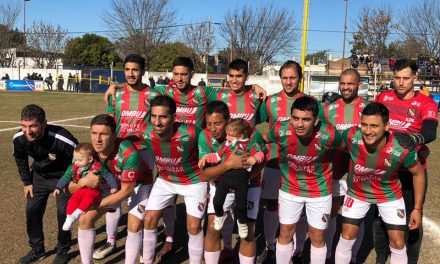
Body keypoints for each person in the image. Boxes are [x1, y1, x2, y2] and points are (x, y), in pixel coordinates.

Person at [334, 102, 425, 264]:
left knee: (397, 242)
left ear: (387, 126)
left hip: (389, 195)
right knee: (347, 236)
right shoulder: (351, 136)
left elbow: (418, 173)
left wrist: (417, 208)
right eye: (364, 125)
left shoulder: (401, 148)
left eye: (374, 126)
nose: (368, 131)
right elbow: (332, 142)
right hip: (357, 194)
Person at [374, 58, 438, 263]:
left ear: (415, 78)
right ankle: (381, 257)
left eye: (405, 78)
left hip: (412, 171)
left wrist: (414, 139)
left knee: (412, 220)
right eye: (397, 78)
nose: (400, 83)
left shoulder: (426, 103)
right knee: (380, 220)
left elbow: (430, 131)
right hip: (386, 169)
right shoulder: (383, 97)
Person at [265, 96, 342, 264]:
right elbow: (262, 138)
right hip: (289, 189)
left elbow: (346, 147)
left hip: (319, 192)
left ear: (316, 121)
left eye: (306, 119)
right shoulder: (280, 130)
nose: (299, 124)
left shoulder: (329, 133)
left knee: (317, 236)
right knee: (285, 232)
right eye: (296, 118)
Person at [95, 54, 155, 263]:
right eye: (127, 70)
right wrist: (115, 86)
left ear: (143, 71)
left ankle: (140, 242)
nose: (130, 74)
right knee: (114, 194)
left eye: (135, 70)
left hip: (144, 152)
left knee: (139, 199)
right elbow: (110, 122)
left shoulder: (154, 93)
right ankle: (111, 241)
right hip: (118, 151)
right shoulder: (116, 94)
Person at [257, 60, 311, 263]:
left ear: (300, 79)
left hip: (301, 164)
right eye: (285, 78)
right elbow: (259, 124)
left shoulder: (309, 101)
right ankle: (270, 246)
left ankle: (297, 250)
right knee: (271, 205)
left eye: (292, 78)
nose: (288, 82)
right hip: (274, 161)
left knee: (302, 209)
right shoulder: (270, 101)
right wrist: (264, 139)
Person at [73, 114, 146, 264]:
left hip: (138, 184)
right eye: (94, 133)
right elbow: (69, 186)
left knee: (134, 223)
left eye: (103, 134)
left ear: (114, 135)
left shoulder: (128, 152)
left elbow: (126, 191)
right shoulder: (86, 153)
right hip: (111, 186)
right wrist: (83, 182)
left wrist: (95, 205)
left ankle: (143, 248)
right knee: (85, 218)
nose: (97, 139)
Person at [141, 95, 206, 264]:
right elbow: (131, 140)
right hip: (165, 180)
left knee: (193, 227)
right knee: (148, 219)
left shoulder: (191, 132)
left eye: (163, 117)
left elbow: (211, 147)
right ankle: (148, 260)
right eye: (153, 116)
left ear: (174, 117)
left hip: (193, 181)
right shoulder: (145, 131)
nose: (157, 122)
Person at [200, 101, 267, 264]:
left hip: (249, 185)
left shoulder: (251, 134)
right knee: (212, 228)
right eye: (209, 124)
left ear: (228, 120)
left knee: (248, 232)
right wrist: (228, 165)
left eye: (218, 123)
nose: (213, 128)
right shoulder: (205, 136)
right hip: (220, 185)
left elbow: (262, 159)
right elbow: (205, 175)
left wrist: (243, 179)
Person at [13, 104, 78, 264]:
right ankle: (37, 250)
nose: (28, 131)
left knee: (64, 213)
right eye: (24, 126)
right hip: (39, 177)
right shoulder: (19, 138)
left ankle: (63, 249)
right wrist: (27, 182)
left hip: (63, 178)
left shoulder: (62, 138)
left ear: (44, 123)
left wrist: (72, 181)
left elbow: (79, 159)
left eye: (33, 126)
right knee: (32, 210)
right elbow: (20, 159)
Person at [323, 69, 368, 263]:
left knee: (355, 216)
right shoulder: (328, 109)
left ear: (359, 85)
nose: (346, 87)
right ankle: (329, 252)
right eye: (342, 83)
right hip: (333, 167)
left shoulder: (367, 109)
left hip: (358, 170)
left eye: (350, 84)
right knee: (332, 210)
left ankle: (354, 255)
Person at [53, 143, 118, 231]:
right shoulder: (73, 167)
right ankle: (69, 218)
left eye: (79, 160)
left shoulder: (97, 166)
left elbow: (108, 175)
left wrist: (114, 186)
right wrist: (58, 187)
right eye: (75, 159)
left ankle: (77, 213)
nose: (76, 162)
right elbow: (65, 177)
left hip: (94, 190)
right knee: (73, 200)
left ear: (90, 159)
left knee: (88, 199)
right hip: (80, 190)